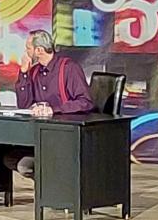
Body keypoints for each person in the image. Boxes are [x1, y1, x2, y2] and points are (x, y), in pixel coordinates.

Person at [5, 29, 94, 178]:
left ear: (39, 50)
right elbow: (24, 104)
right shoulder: (34, 71)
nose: (26, 52)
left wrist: (54, 110)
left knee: (25, 164)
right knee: (8, 157)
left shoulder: (68, 68)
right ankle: (48, 181)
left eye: (28, 48)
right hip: (41, 135)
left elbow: (85, 102)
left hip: (65, 135)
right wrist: (24, 73)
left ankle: (53, 181)